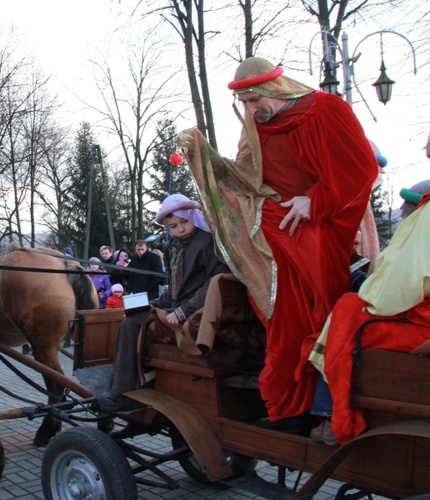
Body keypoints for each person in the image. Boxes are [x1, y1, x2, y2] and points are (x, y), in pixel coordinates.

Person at [178, 57, 378, 432]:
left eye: (255, 100)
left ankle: (315, 409)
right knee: (282, 320)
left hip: (319, 229)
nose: (251, 110)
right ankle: (291, 411)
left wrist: (314, 200)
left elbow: (362, 168)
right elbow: (244, 177)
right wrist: (203, 160)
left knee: (315, 316)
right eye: (245, 104)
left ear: (274, 88)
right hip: (273, 237)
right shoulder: (254, 126)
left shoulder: (327, 109)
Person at [306, 189, 430, 445]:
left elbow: (398, 288)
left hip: (421, 327)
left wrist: (367, 288)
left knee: (347, 316)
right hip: (420, 316)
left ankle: (331, 415)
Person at [104, 194, 229, 412]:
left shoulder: (206, 242)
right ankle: (140, 380)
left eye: (184, 222)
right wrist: (149, 303)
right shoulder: (174, 246)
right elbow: (174, 291)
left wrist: (184, 310)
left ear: (193, 217)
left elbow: (215, 281)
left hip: (198, 312)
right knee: (132, 313)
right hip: (179, 306)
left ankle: (123, 393)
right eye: (173, 226)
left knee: (131, 324)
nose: (180, 229)